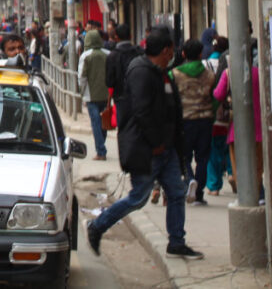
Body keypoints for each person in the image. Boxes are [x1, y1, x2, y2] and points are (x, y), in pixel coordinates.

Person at [86, 29, 203, 260]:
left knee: (176, 193)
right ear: (166, 49)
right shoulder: (141, 71)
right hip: (149, 149)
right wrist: (155, 143)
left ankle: (177, 242)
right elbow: (142, 112)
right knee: (138, 197)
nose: (173, 54)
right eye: (171, 50)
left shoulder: (162, 72)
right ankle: (98, 225)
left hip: (166, 147)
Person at [170, 38, 215, 205]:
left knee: (184, 156)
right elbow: (215, 98)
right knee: (203, 157)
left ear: (183, 54)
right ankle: (200, 192)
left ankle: (189, 180)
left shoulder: (174, 74)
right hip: (205, 120)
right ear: (200, 54)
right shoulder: (209, 75)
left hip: (185, 121)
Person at [213, 50, 263, 202]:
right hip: (259, 126)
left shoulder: (229, 74)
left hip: (237, 127)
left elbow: (218, 94)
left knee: (239, 164)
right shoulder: (259, 73)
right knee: (258, 165)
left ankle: (245, 196)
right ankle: (259, 194)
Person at [204, 36, 233, 195]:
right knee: (230, 147)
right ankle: (232, 173)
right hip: (232, 114)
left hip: (215, 115)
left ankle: (214, 186)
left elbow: (216, 93)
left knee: (214, 149)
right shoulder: (230, 63)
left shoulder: (205, 64)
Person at [78, 30, 110, 160]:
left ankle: (101, 151)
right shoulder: (108, 54)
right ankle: (102, 145)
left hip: (90, 95)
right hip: (106, 94)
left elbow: (82, 77)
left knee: (96, 122)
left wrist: (81, 92)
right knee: (104, 121)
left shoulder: (85, 56)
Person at [105, 22, 139, 116]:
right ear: (131, 36)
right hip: (138, 96)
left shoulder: (112, 56)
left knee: (124, 125)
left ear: (116, 37)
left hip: (120, 99)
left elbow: (109, 82)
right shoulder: (139, 52)